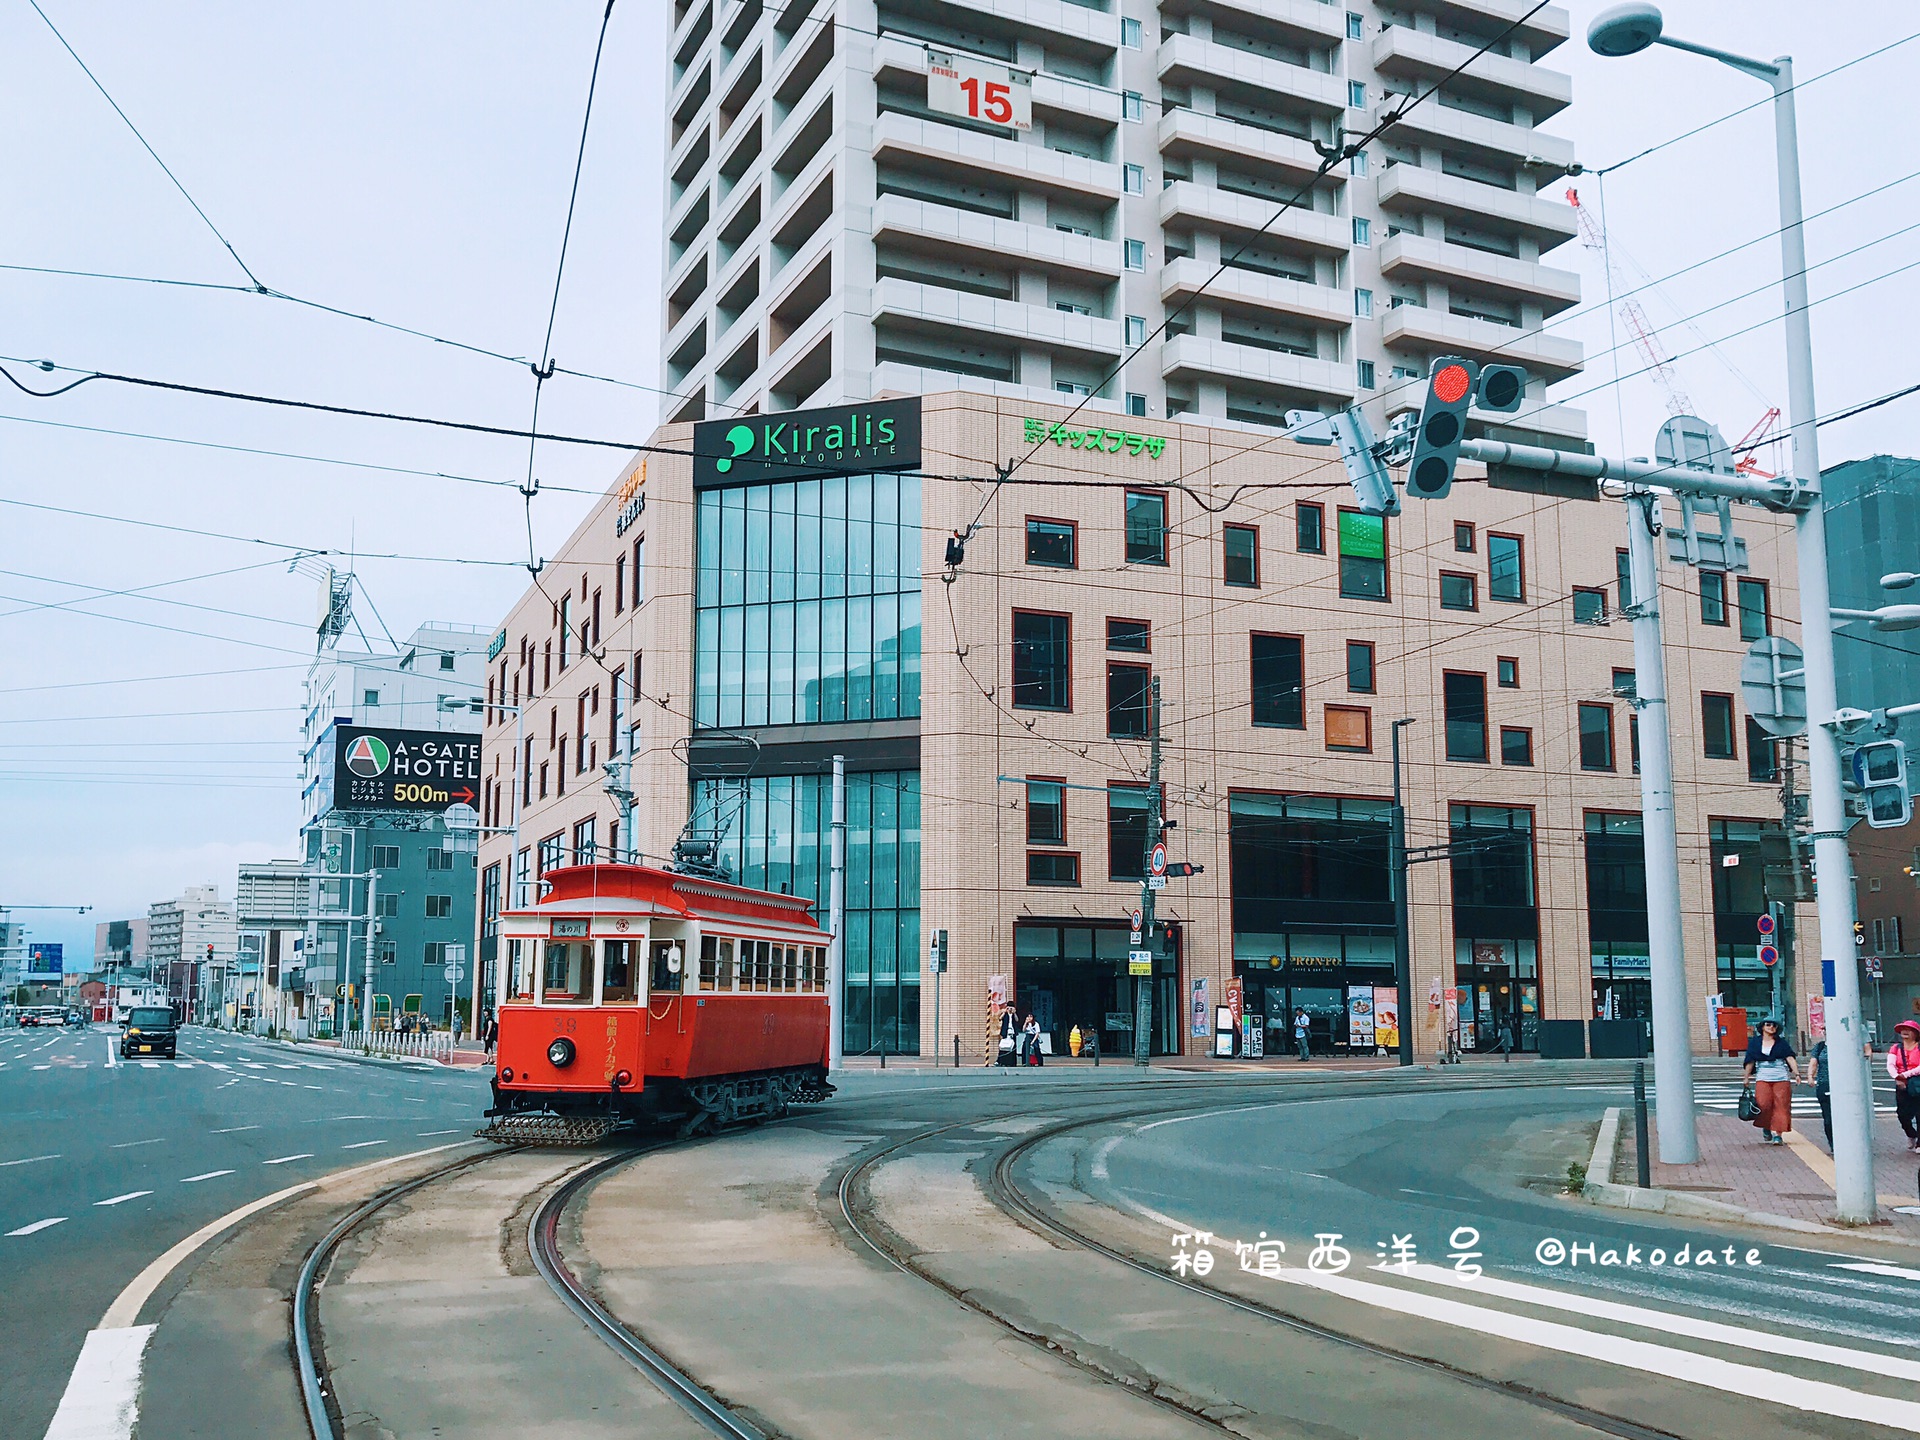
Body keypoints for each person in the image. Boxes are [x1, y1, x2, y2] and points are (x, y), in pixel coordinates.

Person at [1741, 1015, 1799, 1145]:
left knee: (1781, 1106)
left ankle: (1777, 1134)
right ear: (1762, 1027)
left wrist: (1797, 1073)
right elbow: (1750, 1061)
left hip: (1781, 1077)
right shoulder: (1755, 1043)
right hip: (1763, 1077)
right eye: (1768, 1024)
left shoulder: (1781, 1042)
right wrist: (1746, 1077)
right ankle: (1766, 1126)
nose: (1771, 1027)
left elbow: (1790, 1058)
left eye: (1774, 1025)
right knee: (1763, 1104)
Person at [1889, 1019, 1920, 1152]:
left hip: (1918, 1082)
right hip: (1902, 1084)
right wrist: (1896, 1076)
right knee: (1902, 1114)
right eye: (1903, 1029)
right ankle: (1911, 1134)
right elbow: (1890, 1064)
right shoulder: (1896, 1048)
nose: (1905, 1032)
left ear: (1916, 1033)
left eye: (1909, 1029)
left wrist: (1905, 1075)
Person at [1808, 1035, 1833, 1147]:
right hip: (1824, 1084)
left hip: (1844, 1085)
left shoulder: (1846, 1045)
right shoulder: (1820, 1046)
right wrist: (1810, 1076)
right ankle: (1832, 1142)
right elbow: (1813, 1062)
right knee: (1828, 1117)